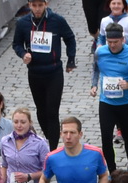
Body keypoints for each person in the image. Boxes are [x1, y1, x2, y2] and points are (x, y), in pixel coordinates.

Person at [13, 0, 79, 148]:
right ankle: (50, 138)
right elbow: (16, 44)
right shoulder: (23, 23)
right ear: (29, 5)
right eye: (34, 6)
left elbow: (70, 38)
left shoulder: (57, 20)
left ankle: (53, 149)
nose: (37, 9)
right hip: (35, 73)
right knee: (41, 111)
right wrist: (23, 54)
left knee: (52, 111)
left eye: (40, 5)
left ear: (46, 4)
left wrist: (71, 59)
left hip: (54, 72)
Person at [92, 22, 128, 171]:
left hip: (126, 103)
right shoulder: (100, 52)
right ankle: (111, 170)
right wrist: (94, 85)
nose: (112, 45)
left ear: (123, 39)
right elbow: (96, 70)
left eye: (115, 42)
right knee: (106, 138)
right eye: (109, 42)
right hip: (106, 102)